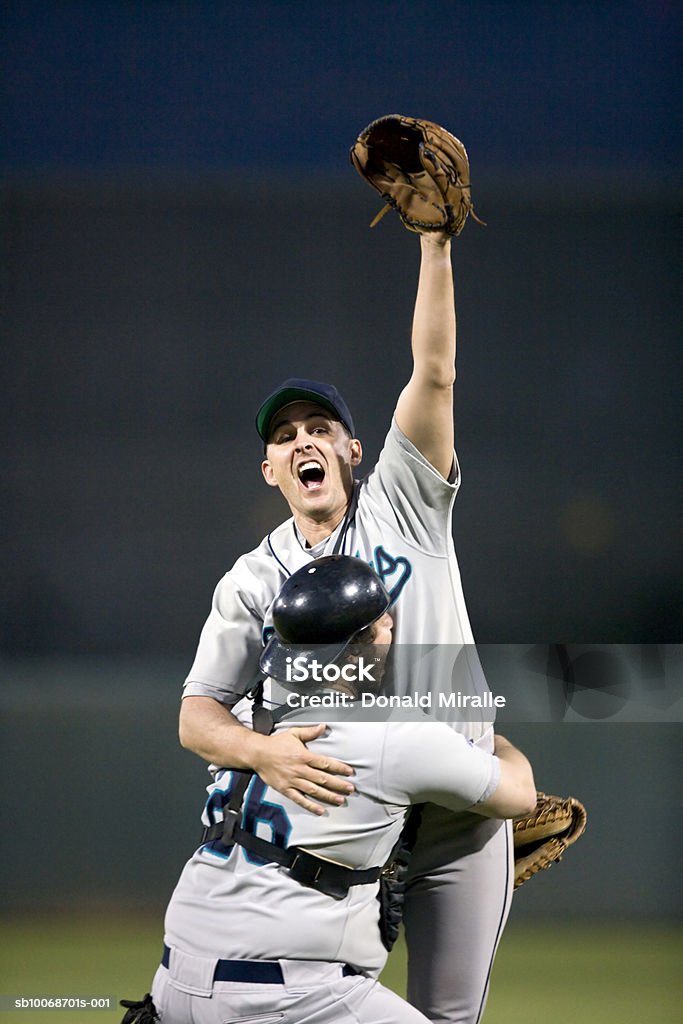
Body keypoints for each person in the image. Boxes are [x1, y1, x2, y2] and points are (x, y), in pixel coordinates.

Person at [179, 231, 512, 1024]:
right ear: (270, 472)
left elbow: (433, 372)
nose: (303, 441)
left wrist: (435, 245)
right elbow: (197, 716)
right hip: (351, 818)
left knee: (447, 1015)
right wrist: (259, 750)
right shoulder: (252, 578)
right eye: (285, 435)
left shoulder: (404, 498)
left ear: (354, 451)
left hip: (461, 809)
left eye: (319, 427)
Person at [148, 557, 536, 1024]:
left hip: (173, 981)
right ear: (357, 650)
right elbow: (519, 795)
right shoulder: (395, 733)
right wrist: (496, 742)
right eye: (381, 623)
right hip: (281, 996)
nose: (391, 626)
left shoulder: (251, 719)